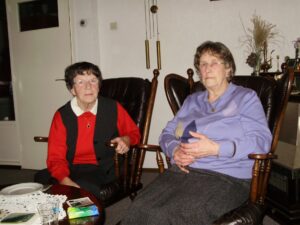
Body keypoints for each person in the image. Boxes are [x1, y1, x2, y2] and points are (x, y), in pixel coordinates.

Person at [121, 41, 272, 225]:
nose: (207, 68)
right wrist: (174, 150)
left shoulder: (245, 98)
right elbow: (168, 133)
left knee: (174, 216)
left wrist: (217, 148)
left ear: (228, 69)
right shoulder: (193, 102)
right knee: (140, 207)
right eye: (203, 64)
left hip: (227, 176)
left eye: (214, 62)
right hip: (185, 170)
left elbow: (262, 141)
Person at [34, 62, 140, 199]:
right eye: (80, 82)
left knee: (83, 187)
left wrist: (126, 139)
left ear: (99, 86)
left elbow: (135, 134)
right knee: (40, 179)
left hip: (103, 168)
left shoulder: (113, 108)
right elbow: (55, 158)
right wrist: (64, 180)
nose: (88, 87)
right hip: (70, 166)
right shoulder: (62, 115)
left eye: (93, 81)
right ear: (72, 89)